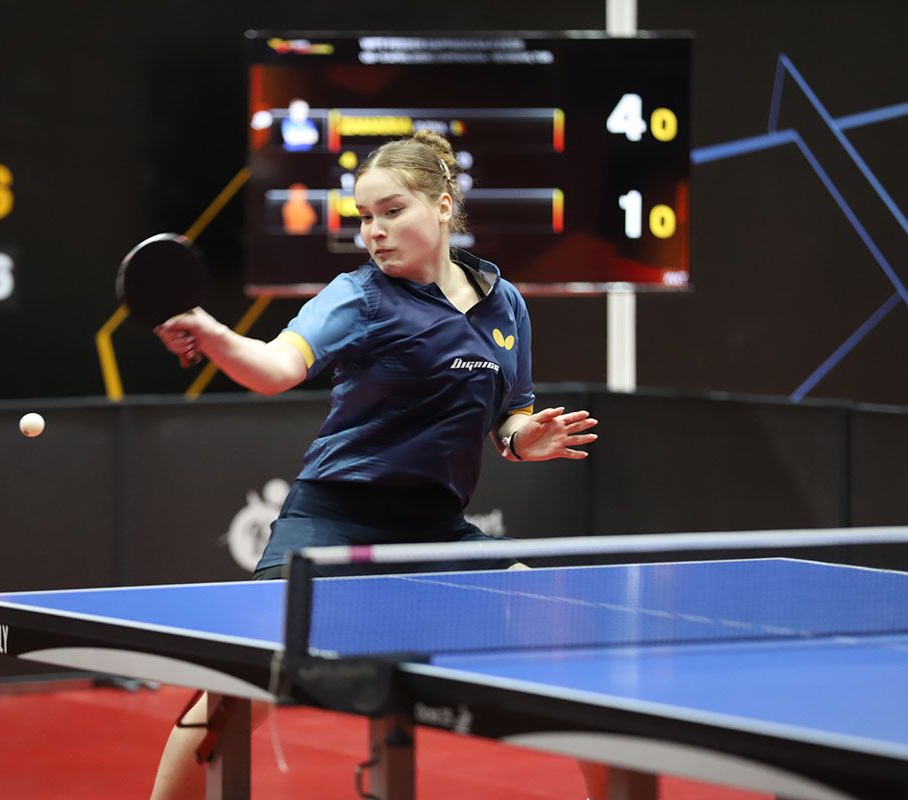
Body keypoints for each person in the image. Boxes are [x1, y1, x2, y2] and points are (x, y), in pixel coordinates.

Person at [149, 129, 599, 799]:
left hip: (435, 530)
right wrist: (215, 335)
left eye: (392, 211)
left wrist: (519, 438)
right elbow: (275, 368)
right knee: (237, 686)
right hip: (334, 523)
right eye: (364, 217)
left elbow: (510, 412)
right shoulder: (358, 296)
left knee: (566, 632)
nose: (374, 232)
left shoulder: (504, 303)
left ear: (442, 206)